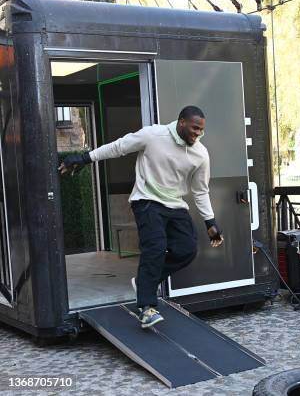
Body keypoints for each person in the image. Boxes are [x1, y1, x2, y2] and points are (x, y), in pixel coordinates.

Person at [59, 105, 223, 329]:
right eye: (195, 128)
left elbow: (200, 191)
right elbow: (118, 147)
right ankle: (146, 307)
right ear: (181, 122)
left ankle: (144, 282)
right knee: (155, 247)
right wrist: (85, 158)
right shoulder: (153, 135)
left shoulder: (200, 154)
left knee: (187, 250)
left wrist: (210, 222)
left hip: (175, 204)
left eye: (201, 130)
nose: (198, 134)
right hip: (146, 201)